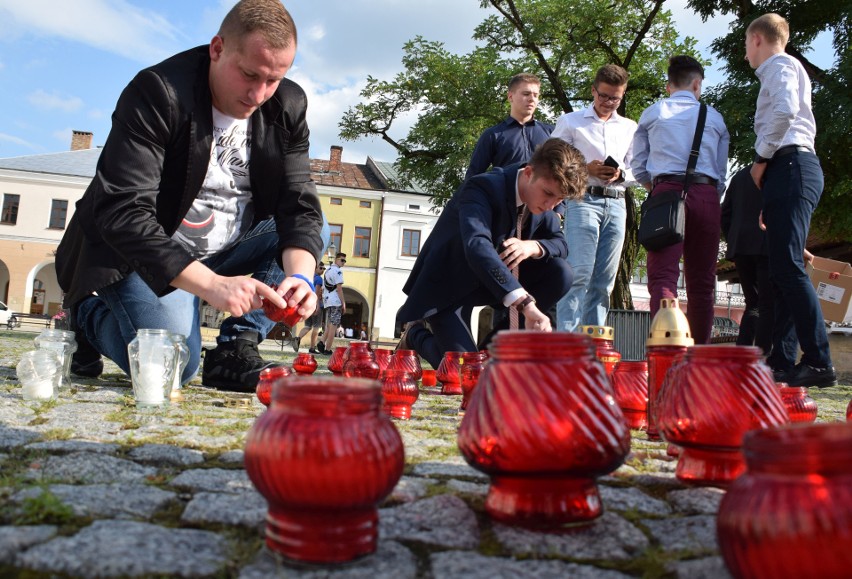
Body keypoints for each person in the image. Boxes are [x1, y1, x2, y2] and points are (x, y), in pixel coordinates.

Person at [55, 0, 324, 393]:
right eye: (249, 74)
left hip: (229, 244)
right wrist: (211, 285)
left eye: (274, 79)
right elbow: (124, 212)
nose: (259, 94)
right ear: (217, 48)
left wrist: (300, 276)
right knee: (172, 368)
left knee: (313, 237)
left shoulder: (288, 106)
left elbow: (299, 204)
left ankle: (236, 347)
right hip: (141, 251)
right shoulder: (158, 92)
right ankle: (87, 316)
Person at [396, 138, 587, 369]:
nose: (551, 205)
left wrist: (532, 247)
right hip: (449, 286)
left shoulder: (544, 203)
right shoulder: (482, 187)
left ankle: (494, 353)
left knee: (561, 272)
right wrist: (526, 304)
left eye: (560, 199)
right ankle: (415, 333)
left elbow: (560, 244)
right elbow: (477, 246)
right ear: (528, 172)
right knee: (462, 371)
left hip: (492, 285)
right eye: (548, 194)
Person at [745, 13, 835, 387]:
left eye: (746, 45)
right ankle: (782, 362)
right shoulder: (784, 69)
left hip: (791, 164)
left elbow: (785, 111)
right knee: (782, 270)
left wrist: (761, 159)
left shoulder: (780, 65)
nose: (747, 54)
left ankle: (817, 360)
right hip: (789, 170)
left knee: (788, 269)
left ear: (757, 40)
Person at [631, 55, 729, 344]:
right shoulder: (714, 117)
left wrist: (657, 188)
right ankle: (699, 354)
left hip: (666, 192)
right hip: (707, 194)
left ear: (668, 85)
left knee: (663, 278)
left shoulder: (653, 113)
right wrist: (709, 193)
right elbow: (721, 171)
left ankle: (668, 354)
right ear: (697, 84)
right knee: (702, 282)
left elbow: (637, 164)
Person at [552, 64, 638, 331]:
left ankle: (594, 345)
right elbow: (551, 159)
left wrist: (621, 174)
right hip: (583, 199)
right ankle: (567, 343)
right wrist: (584, 168)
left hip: (617, 202)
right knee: (579, 273)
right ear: (593, 91)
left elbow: (641, 168)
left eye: (615, 98)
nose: (608, 103)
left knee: (605, 280)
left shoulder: (629, 127)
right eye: (603, 96)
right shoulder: (571, 121)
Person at [721, 167, 774, 354]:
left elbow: (725, 213)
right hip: (766, 243)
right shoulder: (778, 172)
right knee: (767, 304)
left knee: (753, 302)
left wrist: (733, 239)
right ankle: (762, 356)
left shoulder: (740, 176)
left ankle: (741, 354)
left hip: (741, 245)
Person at [465, 73, 554, 180]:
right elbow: (473, 177)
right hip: (505, 195)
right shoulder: (492, 135)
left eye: (535, 95)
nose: (532, 99)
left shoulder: (552, 132)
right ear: (510, 96)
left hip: (544, 196)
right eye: (526, 94)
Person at [319, 252, 346, 354]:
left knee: (330, 324)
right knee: (333, 326)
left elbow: (323, 287)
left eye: (344, 261)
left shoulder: (328, 271)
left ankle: (321, 342)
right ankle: (328, 349)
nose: (343, 262)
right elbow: (339, 289)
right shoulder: (338, 271)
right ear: (336, 260)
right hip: (335, 301)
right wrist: (343, 303)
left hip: (327, 300)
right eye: (342, 260)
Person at [297, 263, 325, 354]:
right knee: (316, 327)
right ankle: (312, 348)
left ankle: (297, 339)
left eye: (324, 268)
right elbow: (316, 293)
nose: (322, 270)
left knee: (308, 326)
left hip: (307, 303)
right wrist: (317, 305)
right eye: (321, 268)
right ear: (315, 268)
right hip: (316, 304)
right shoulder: (318, 279)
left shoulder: (309, 277)